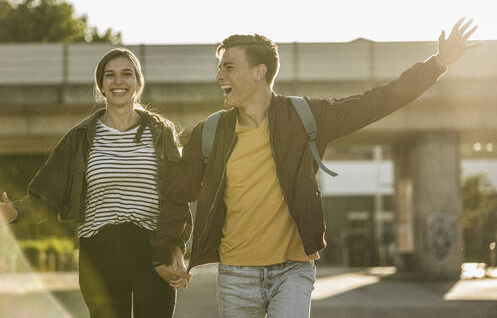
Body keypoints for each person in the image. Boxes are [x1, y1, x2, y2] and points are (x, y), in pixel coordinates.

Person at [150, 18, 478, 318]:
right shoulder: (211, 132)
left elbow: (376, 101)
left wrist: (436, 64)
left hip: (293, 271)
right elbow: (178, 193)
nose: (219, 75)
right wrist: (170, 249)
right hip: (236, 275)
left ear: (259, 71)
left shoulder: (305, 116)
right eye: (219, 68)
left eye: (229, 67)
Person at [0, 48, 191, 318]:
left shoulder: (160, 133)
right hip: (100, 250)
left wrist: (177, 250)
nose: (118, 81)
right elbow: (46, 195)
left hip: (152, 249)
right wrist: (15, 212)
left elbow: (177, 197)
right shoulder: (79, 138)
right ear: (101, 85)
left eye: (127, 74)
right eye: (110, 75)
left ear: (138, 82)